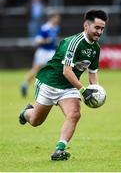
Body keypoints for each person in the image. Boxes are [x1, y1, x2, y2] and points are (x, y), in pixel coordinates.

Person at [19, 9, 108, 161]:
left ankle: (59, 150)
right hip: (49, 82)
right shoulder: (72, 43)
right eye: (97, 28)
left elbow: (92, 73)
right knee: (35, 121)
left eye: (102, 28)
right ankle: (26, 112)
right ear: (86, 26)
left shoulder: (95, 49)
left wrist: (95, 92)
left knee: (74, 114)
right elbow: (67, 71)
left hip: (68, 88)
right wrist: (83, 90)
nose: (100, 32)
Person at [20, 13, 61, 97]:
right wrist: (46, 40)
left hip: (51, 52)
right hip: (43, 51)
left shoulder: (56, 27)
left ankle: (54, 88)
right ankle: (25, 84)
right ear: (51, 18)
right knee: (36, 69)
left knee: (57, 68)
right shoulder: (45, 28)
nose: (57, 20)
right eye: (56, 18)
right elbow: (37, 40)